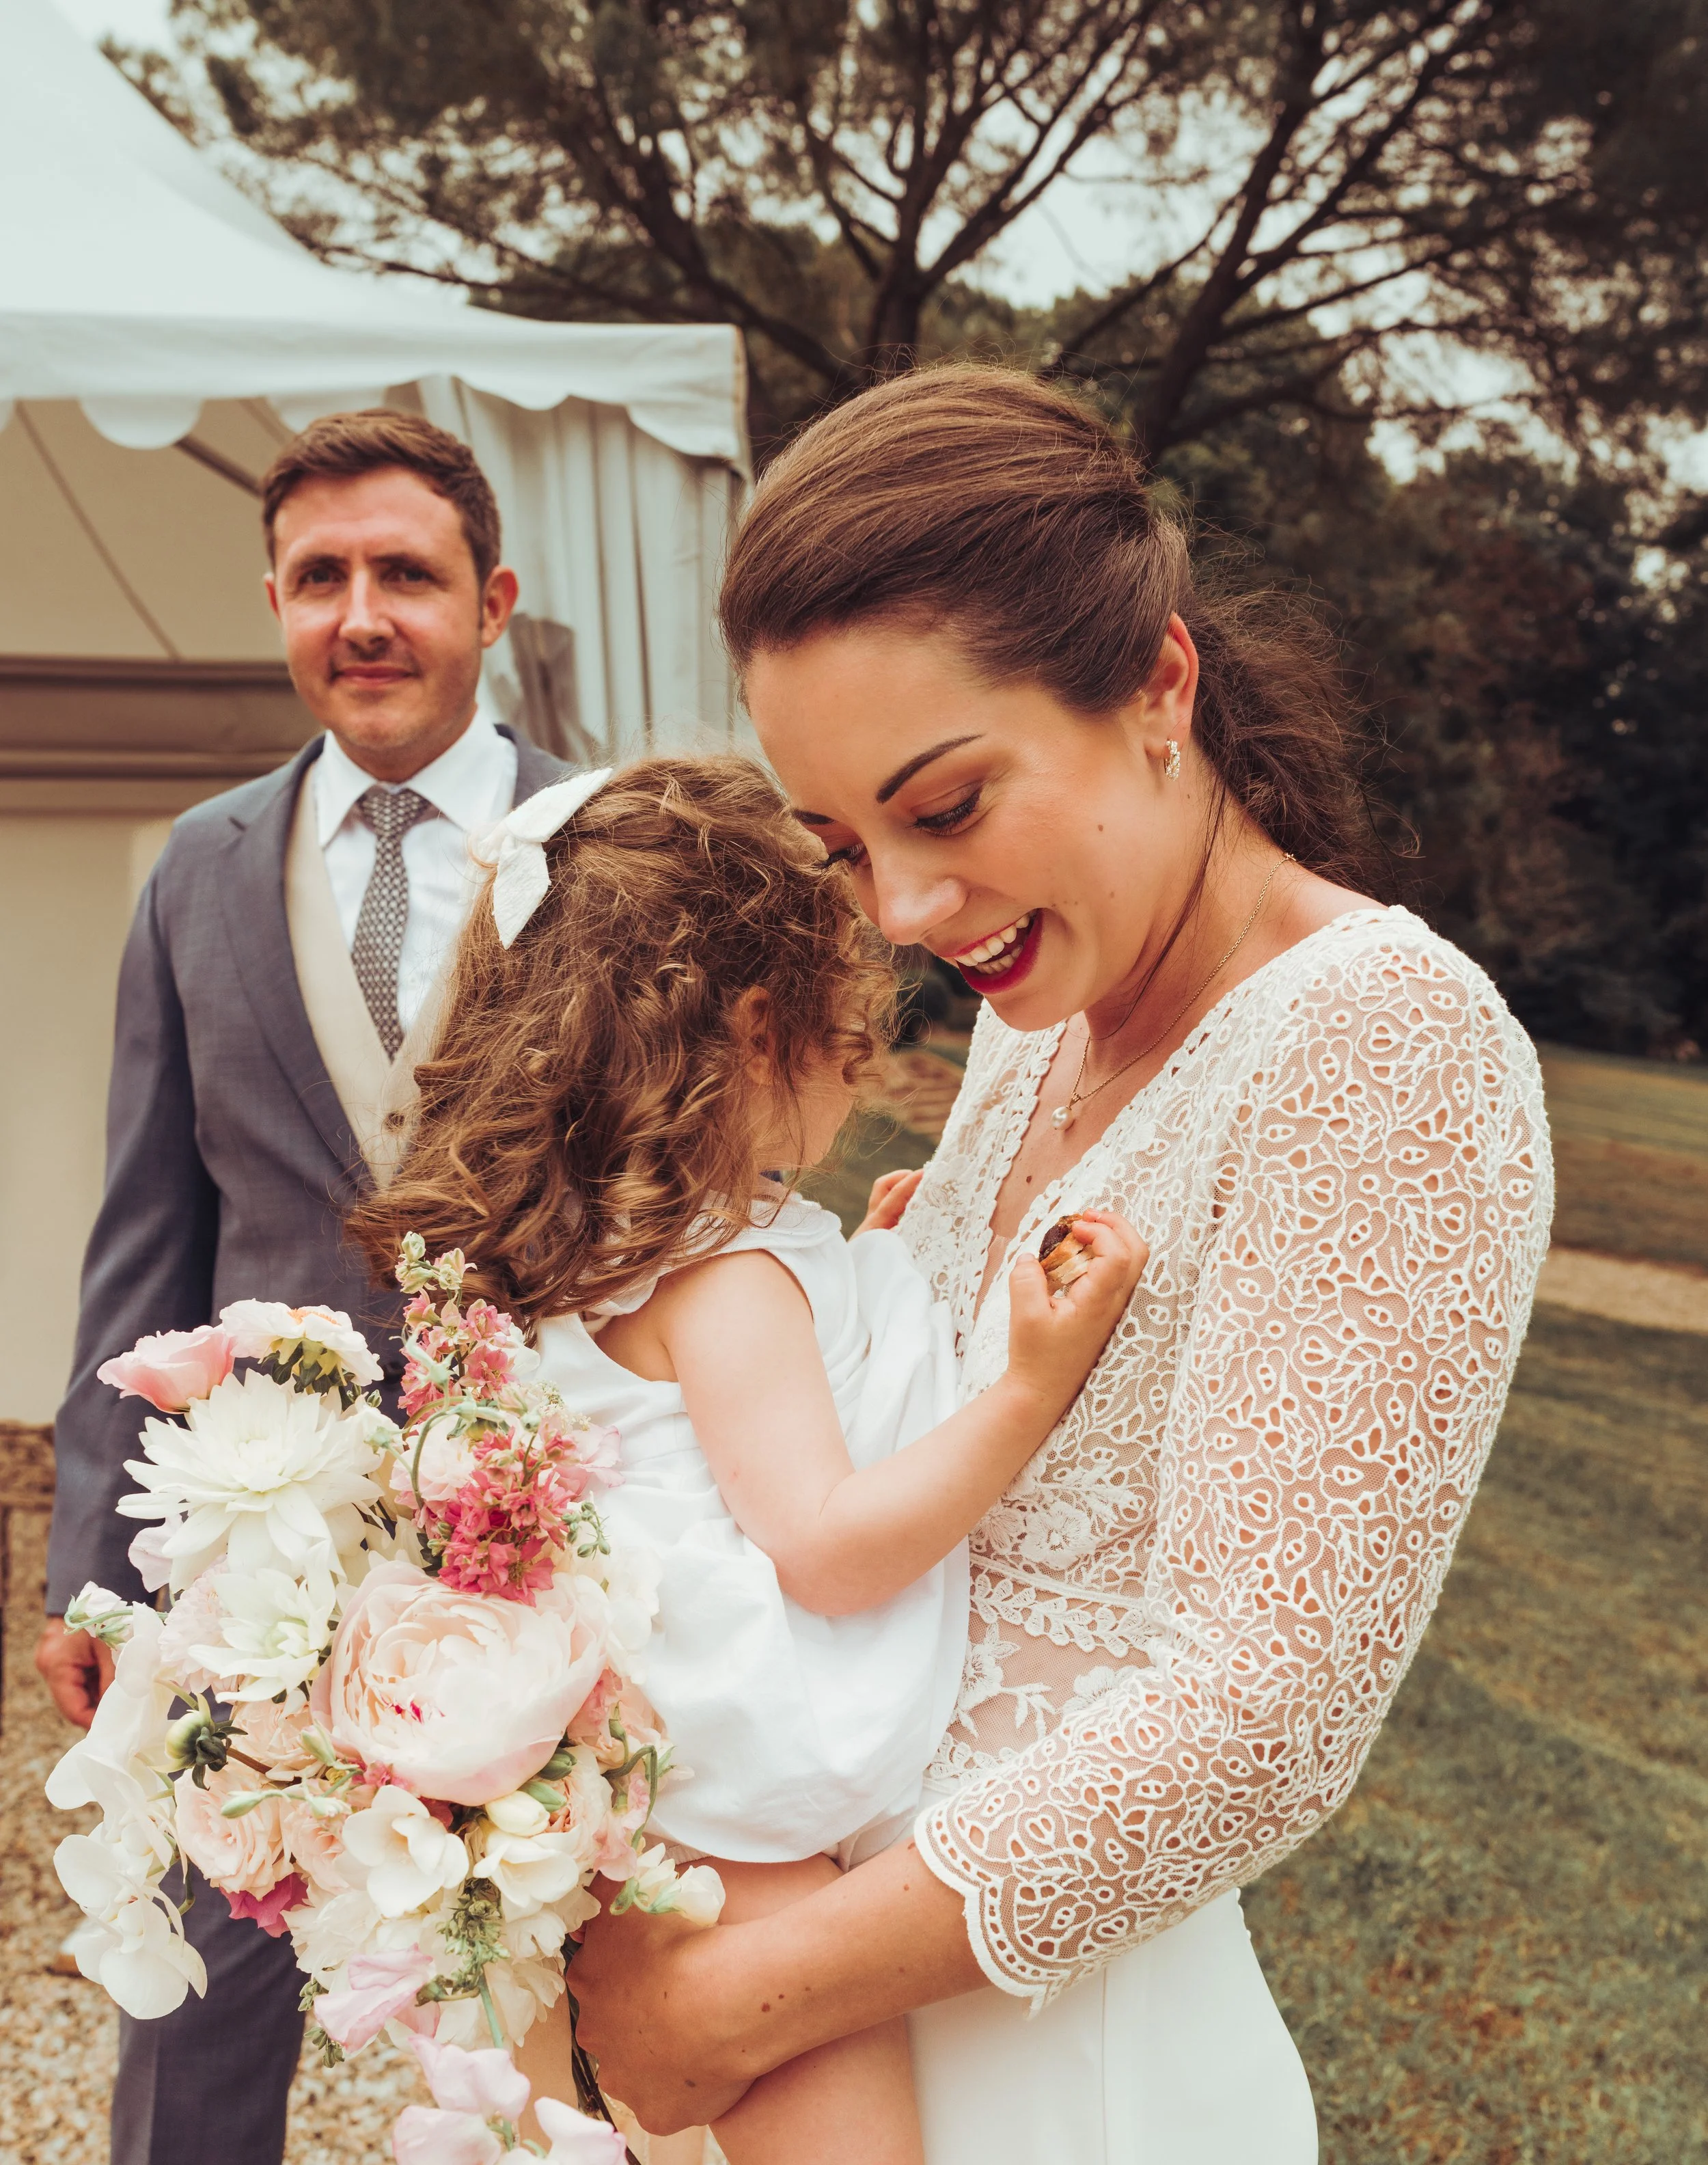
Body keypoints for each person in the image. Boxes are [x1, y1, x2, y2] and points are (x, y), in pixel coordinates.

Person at [563, 368, 1556, 2162]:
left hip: (1070, 2077)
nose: (905, 917)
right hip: (843, 2053)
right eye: (848, 845)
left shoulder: (1385, 1038)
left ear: (1158, 687)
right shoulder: (1049, 1013)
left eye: (945, 806)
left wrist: (728, 2007)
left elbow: (1257, 1724)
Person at [346, 754, 1148, 2163]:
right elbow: (828, 1547)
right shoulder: (724, 1284)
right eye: (852, 1040)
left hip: (651, 1822)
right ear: (768, 1025)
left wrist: (874, 1274)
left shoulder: (608, 1265)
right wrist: (1028, 1390)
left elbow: (735, 1434)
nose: (859, 1077)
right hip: (743, 1854)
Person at [36, 410, 568, 2165]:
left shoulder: (610, 850)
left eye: (404, 575)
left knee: (547, 1971)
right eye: (319, 578)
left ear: (489, 602)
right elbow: (145, 1233)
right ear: (271, 600)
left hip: (544, 1512)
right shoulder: (197, 866)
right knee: (203, 1971)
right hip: (252, 1531)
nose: (362, 615)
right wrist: (91, 1570)